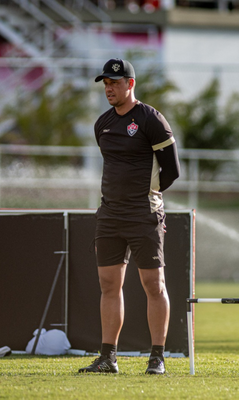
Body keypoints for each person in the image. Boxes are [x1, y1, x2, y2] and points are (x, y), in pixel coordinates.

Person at [78, 59, 180, 375]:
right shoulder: (102, 123)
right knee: (109, 285)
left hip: (143, 214)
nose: (109, 88)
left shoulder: (151, 119)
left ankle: (157, 358)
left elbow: (172, 170)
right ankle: (108, 358)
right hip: (109, 215)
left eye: (114, 82)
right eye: (105, 83)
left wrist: (146, 197)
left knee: (153, 284)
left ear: (130, 84)